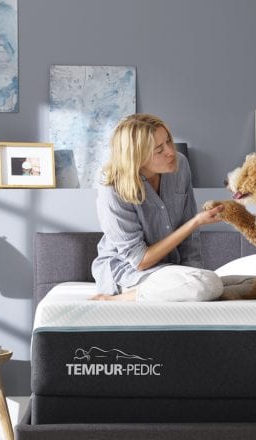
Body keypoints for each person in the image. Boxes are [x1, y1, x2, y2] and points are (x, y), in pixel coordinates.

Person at [91, 113, 225, 301]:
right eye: (159, 150)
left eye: (169, 141)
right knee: (207, 285)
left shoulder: (180, 165)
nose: (170, 152)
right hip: (128, 272)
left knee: (245, 283)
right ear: (137, 157)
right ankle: (118, 299)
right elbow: (139, 261)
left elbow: (190, 243)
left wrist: (193, 271)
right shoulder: (112, 186)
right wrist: (195, 223)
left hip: (169, 269)